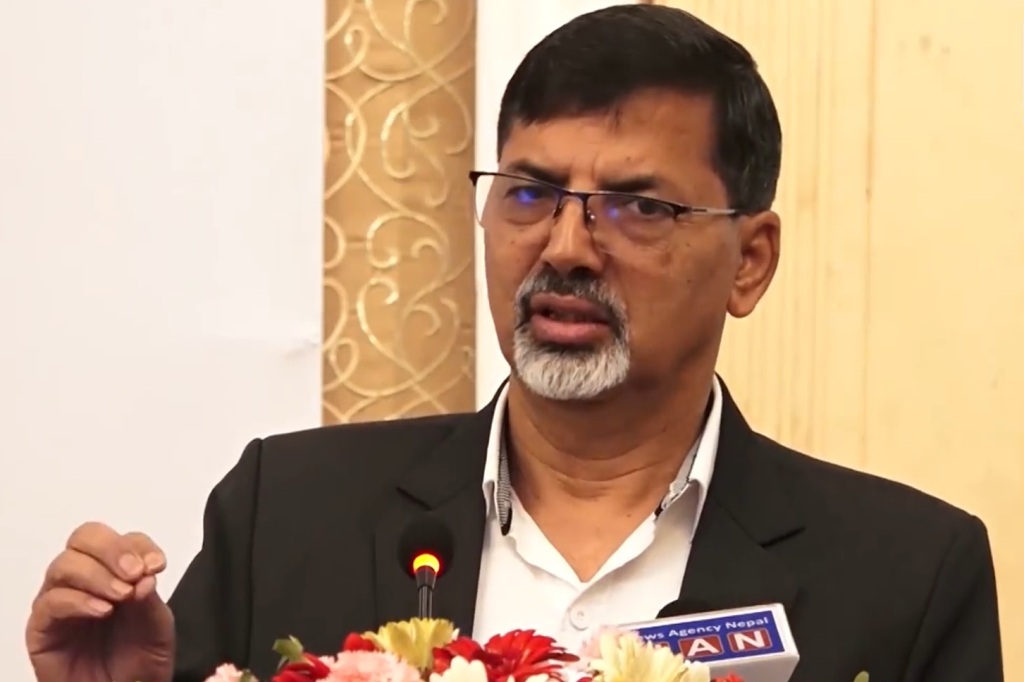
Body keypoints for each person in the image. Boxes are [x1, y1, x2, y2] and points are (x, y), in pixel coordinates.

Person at [26, 5, 1003, 682]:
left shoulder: (905, 577)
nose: (567, 246)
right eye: (530, 193)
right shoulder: (286, 515)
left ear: (750, 261)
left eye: (637, 206)